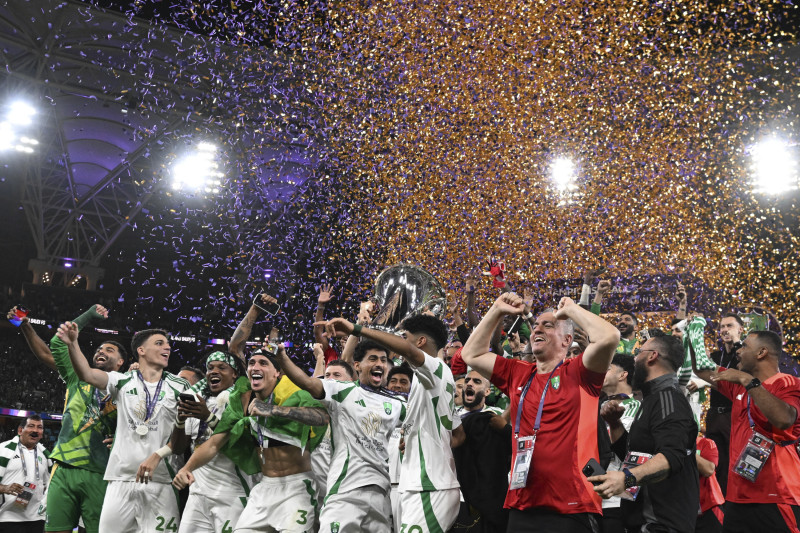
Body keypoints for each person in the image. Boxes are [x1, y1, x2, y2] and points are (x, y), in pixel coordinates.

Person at [461, 294, 620, 533]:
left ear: (567, 339)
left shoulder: (581, 372)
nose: (537, 329)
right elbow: (471, 354)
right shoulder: (518, 373)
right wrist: (496, 310)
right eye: (535, 325)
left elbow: (609, 337)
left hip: (571, 507)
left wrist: (570, 310)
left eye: (548, 325)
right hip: (522, 504)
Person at [57, 325, 191, 533]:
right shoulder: (123, 381)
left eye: (168, 344)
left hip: (162, 482)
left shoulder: (180, 386)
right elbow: (86, 374)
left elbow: (187, 436)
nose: (167, 348)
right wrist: (73, 343)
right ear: (141, 350)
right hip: (120, 480)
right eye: (159, 343)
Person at [10, 304, 125, 533]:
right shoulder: (76, 376)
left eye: (109, 349)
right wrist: (87, 316)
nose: (101, 351)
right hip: (64, 466)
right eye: (100, 348)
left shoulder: (129, 386)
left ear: (121, 362)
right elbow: (52, 347)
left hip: (102, 470)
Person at [274, 338, 405, 533]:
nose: (379, 364)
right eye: (373, 359)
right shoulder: (342, 391)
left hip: (381, 494)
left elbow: (420, 422)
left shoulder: (398, 403)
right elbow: (307, 382)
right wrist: (282, 358)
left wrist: (408, 436)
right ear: (358, 366)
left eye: (383, 360)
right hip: (346, 491)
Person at [690, 329, 800, 533]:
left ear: (762, 353)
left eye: (745, 346)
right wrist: (692, 332)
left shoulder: (789, 383)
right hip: (736, 498)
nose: (738, 351)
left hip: (778, 494)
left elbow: (784, 419)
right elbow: (703, 370)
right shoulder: (738, 388)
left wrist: (748, 381)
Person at [591, 334, 700, 533]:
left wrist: (626, 478)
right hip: (642, 521)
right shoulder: (651, 399)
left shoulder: (669, 399)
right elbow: (639, 458)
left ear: (652, 356)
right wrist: (615, 424)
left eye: (638, 353)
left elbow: (671, 457)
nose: (634, 359)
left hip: (661, 524)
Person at [452, 372, 511, 533]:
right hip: (456, 493)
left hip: (490, 495)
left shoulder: (496, 416)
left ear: (487, 391)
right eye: (467, 381)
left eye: (477, 381)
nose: (469, 384)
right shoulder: (451, 418)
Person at [598, 354, 640, 533]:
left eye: (607, 368)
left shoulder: (640, 406)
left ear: (623, 374)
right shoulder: (592, 406)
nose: (601, 372)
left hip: (620, 501)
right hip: (588, 498)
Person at [705, 313, 745, 494]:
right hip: (714, 414)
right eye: (722, 327)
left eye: (729, 326)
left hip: (734, 413)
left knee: (734, 459)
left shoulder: (744, 354)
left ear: (740, 329)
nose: (724, 330)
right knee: (717, 460)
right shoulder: (715, 355)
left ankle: (735, 497)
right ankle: (719, 500)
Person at [0, 416, 50, 533]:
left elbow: (49, 485)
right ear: (20, 430)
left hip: (36, 518)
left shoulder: (46, 456)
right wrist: (5, 488)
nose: (35, 430)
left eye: (39, 427)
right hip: (6, 517)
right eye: (31, 426)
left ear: (42, 433)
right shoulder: (3, 450)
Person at [386, 364, 413, 533]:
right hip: (380, 487)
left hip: (405, 489)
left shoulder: (416, 413)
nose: (397, 385)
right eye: (393, 381)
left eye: (404, 382)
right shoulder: (376, 411)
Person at [695, 435, 725, 533]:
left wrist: (685, 449)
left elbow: (709, 469)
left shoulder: (705, 443)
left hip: (709, 509)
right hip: (683, 512)